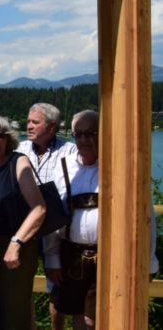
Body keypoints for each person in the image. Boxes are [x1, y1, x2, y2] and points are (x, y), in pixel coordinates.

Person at [44, 110, 159, 330]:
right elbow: (54, 216)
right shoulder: (63, 166)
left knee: (105, 316)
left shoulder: (120, 167)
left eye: (90, 133)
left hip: (112, 256)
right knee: (76, 315)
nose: (84, 140)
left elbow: (145, 216)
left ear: (103, 134)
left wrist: (149, 261)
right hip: (72, 256)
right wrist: (52, 259)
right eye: (79, 134)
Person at [0, 114, 47, 330]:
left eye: (0, 136)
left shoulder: (19, 161)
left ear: (8, 139)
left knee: (15, 311)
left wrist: (16, 243)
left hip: (17, 246)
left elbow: (39, 207)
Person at [14, 102, 77, 330]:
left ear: (51, 127)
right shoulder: (19, 150)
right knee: (22, 290)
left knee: (56, 289)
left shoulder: (69, 151)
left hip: (56, 232)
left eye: (35, 122)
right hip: (25, 230)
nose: (28, 126)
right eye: (28, 121)